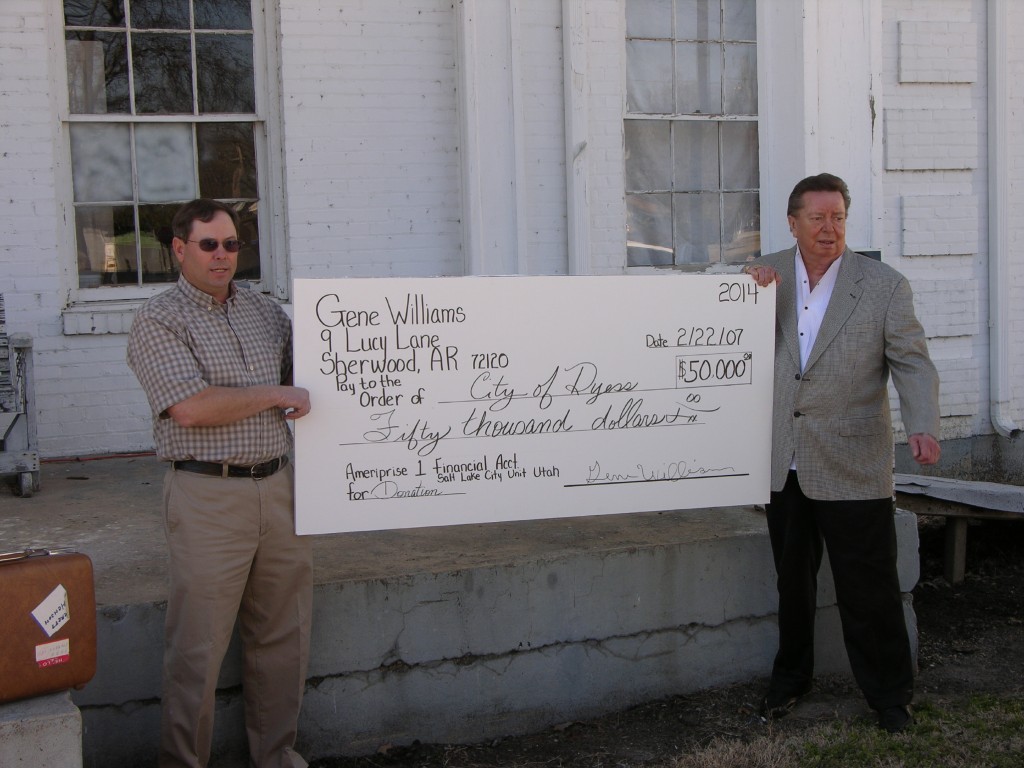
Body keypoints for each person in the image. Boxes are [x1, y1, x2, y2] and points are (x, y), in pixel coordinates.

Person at [743, 173, 940, 734]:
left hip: (853, 462)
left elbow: (912, 361)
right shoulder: (765, 275)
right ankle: (789, 681)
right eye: (817, 218)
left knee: (869, 587)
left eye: (838, 218)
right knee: (792, 584)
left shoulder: (883, 285)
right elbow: (717, 326)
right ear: (792, 222)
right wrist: (744, 287)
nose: (829, 229)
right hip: (784, 462)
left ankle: (889, 697)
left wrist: (922, 424)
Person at [127, 198, 313, 767]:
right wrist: (278, 395)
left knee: (284, 637)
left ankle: (277, 757)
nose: (223, 255)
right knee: (198, 648)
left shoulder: (265, 313)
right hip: (208, 496)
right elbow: (188, 407)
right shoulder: (159, 319)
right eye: (209, 244)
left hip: (280, 490)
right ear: (179, 249)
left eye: (231, 244)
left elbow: (316, 373)